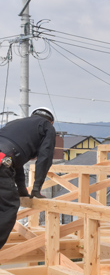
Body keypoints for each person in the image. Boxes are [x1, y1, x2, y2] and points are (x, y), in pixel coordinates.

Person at [0, 107, 57, 250]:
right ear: (51, 122)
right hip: (3, 160)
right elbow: (45, 158)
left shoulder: (16, 124)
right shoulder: (46, 127)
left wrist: (22, 190)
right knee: (8, 206)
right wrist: (36, 188)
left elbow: (17, 164)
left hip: (5, 159)